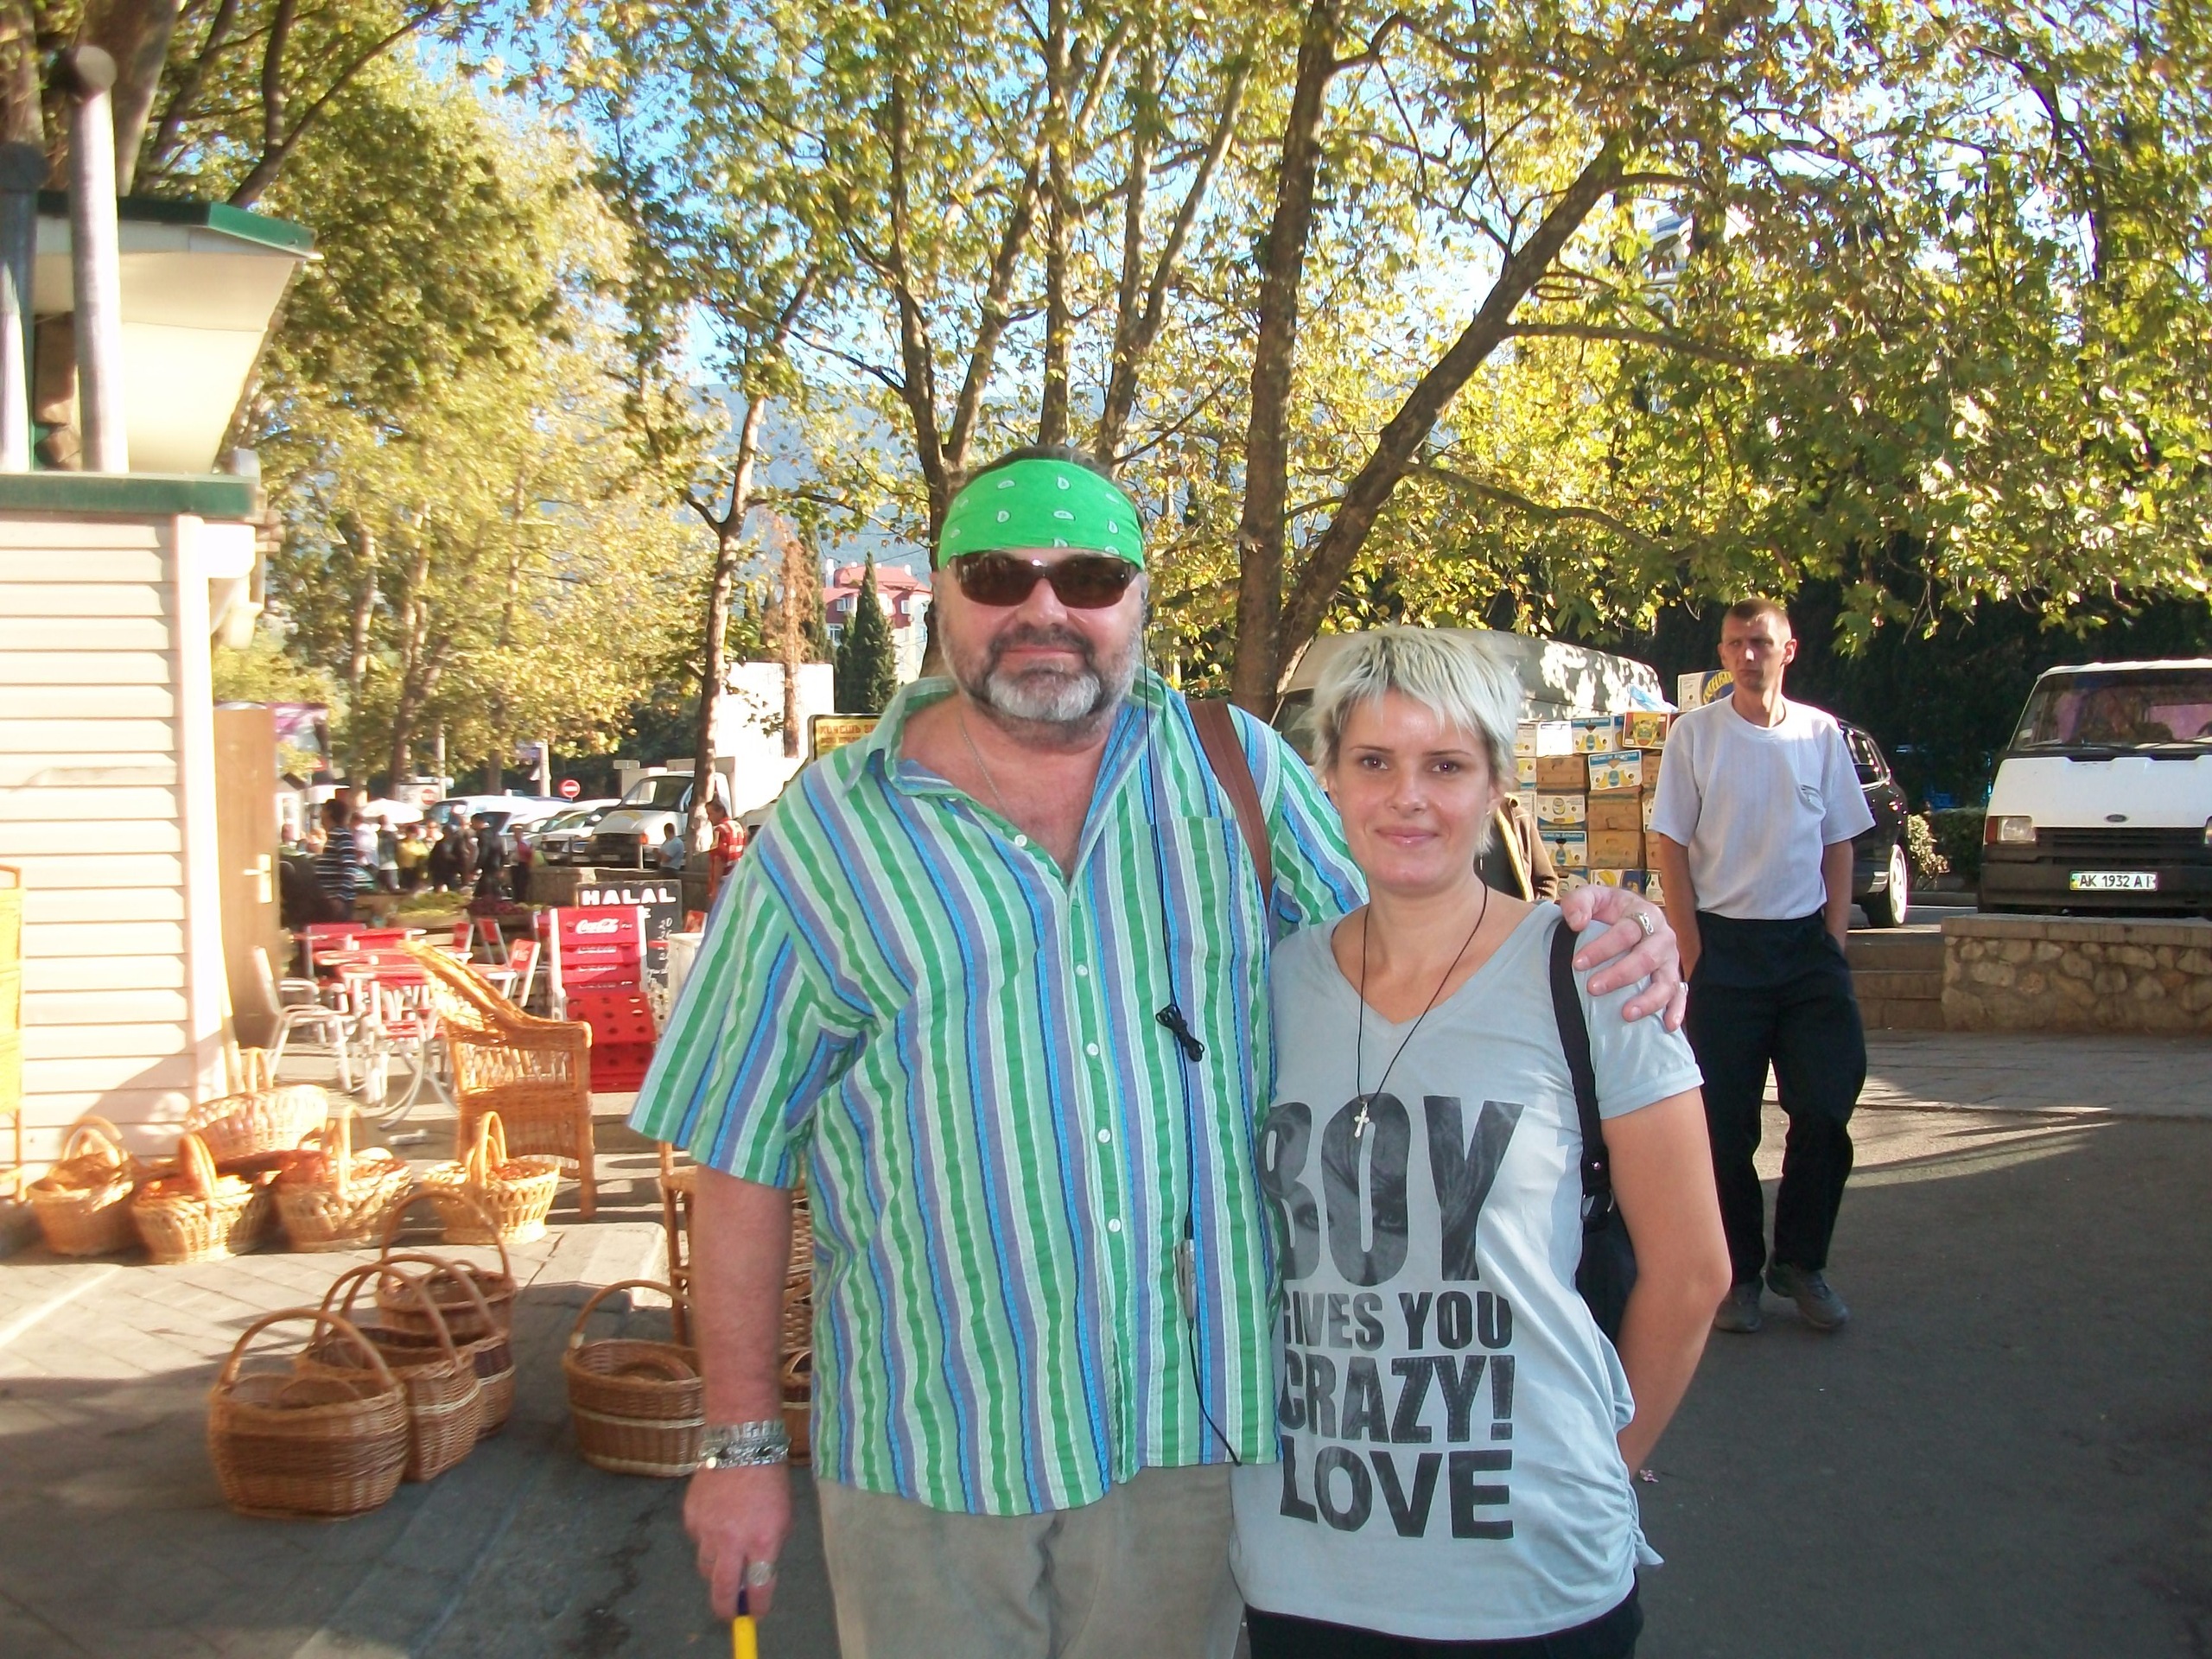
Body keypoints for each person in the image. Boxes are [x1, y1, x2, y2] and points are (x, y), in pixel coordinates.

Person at [630, 443, 1684, 1658]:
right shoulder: (830, 834)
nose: (1044, 610)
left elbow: (1414, 943)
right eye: (997, 575)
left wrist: (1591, 926)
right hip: (932, 1456)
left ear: (1137, 602)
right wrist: (741, 1445)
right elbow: (739, 1150)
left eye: (1086, 577)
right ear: (944, 601)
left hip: (1188, 1455)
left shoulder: (1232, 773)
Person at [1231, 628, 1730, 1658]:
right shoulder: (1265, 990)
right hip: (1302, 1572)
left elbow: (1693, 1272)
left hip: (1531, 1580)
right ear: (1327, 777)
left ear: (1499, 783)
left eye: (1446, 765)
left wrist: (1600, 1466)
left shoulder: (1593, 975)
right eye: (1374, 761)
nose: (1407, 798)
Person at [1648, 598, 1875, 1335]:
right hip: (1725, 951)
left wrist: (1833, 940)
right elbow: (1671, 845)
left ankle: (1801, 1263)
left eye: (1762, 643)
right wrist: (1692, 951)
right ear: (1722, 654)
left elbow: (1839, 842)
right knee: (1722, 1125)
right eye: (1737, 644)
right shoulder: (1696, 736)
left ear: (1789, 650)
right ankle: (1739, 1275)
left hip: (1806, 953)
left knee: (1826, 1106)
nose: (1749, 656)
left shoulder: (1819, 735)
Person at [312, 800, 362, 916]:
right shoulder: (333, 836)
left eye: (323, 810)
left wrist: (340, 898)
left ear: (329, 812)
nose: (320, 814)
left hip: (338, 903)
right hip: (329, 900)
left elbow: (349, 868)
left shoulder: (342, 835)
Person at [705, 799, 743, 901]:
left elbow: (719, 859)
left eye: (710, 814)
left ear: (721, 811)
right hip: (736, 877)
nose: (709, 818)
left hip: (724, 880)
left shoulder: (719, 830)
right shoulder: (738, 826)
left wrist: (714, 887)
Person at [471, 815, 506, 899]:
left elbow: (483, 853)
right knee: (494, 892)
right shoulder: (495, 833)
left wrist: (475, 868)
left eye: (473, 823)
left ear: (478, 822)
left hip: (488, 867)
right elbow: (502, 852)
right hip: (496, 866)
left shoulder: (483, 835)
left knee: (484, 893)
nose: (472, 826)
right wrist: (501, 868)